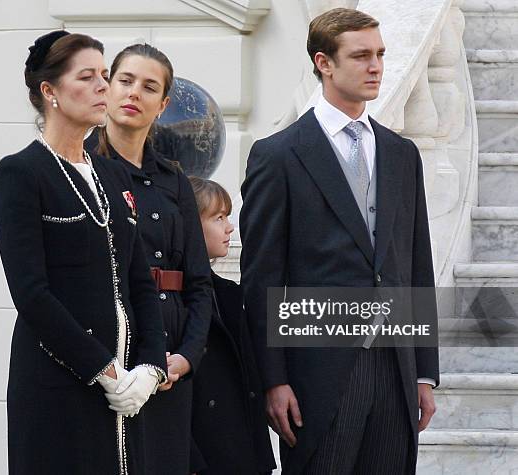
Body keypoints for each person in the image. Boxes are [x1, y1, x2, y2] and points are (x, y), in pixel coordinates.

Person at [240, 8, 439, 475]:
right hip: (317, 376)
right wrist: (274, 380)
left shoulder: (401, 153)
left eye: (381, 55)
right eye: (361, 56)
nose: (376, 67)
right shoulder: (278, 155)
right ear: (324, 63)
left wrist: (424, 373)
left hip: (395, 369)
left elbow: (416, 265)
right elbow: (261, 278)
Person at [0, 31, 168, 475]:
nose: (103, 87)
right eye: (87, 77)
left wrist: (149, 368)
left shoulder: (112, 175)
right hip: (61, 383)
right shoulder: (21, 173)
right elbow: (32, 295)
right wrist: (104, 372)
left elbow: (140, 283)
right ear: (49, 91)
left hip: (130, 391)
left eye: (105, 76)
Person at [86, 43, 212, 475]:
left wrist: (188, 355)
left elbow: (199, 280)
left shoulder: (174, 178)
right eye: (125, 80)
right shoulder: (82, 166)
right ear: (107, 86)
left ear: (163, 105)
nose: (134, 93)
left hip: (171, 356)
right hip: (111, 349)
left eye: (149, 86)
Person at [188, 177, 276, 475]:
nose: (229, 227)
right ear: (188, 224)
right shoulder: (175, 301)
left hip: (241, 453)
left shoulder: (228, 294)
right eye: (218, 217)